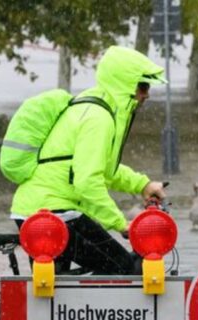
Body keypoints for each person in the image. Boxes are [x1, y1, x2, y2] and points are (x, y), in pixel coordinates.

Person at [10, 45, 168, 275]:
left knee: (56, 291)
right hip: (54, 213)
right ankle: (94, 312)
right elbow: (87, 181)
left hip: (39, 209)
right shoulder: (99, 118)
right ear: (124, 84)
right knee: (122, 269)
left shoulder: (94, 106)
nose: (147, 93)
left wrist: (142, 185)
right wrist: (120, 223)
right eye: (142, 85)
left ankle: (71, 310)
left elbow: (102, 168)